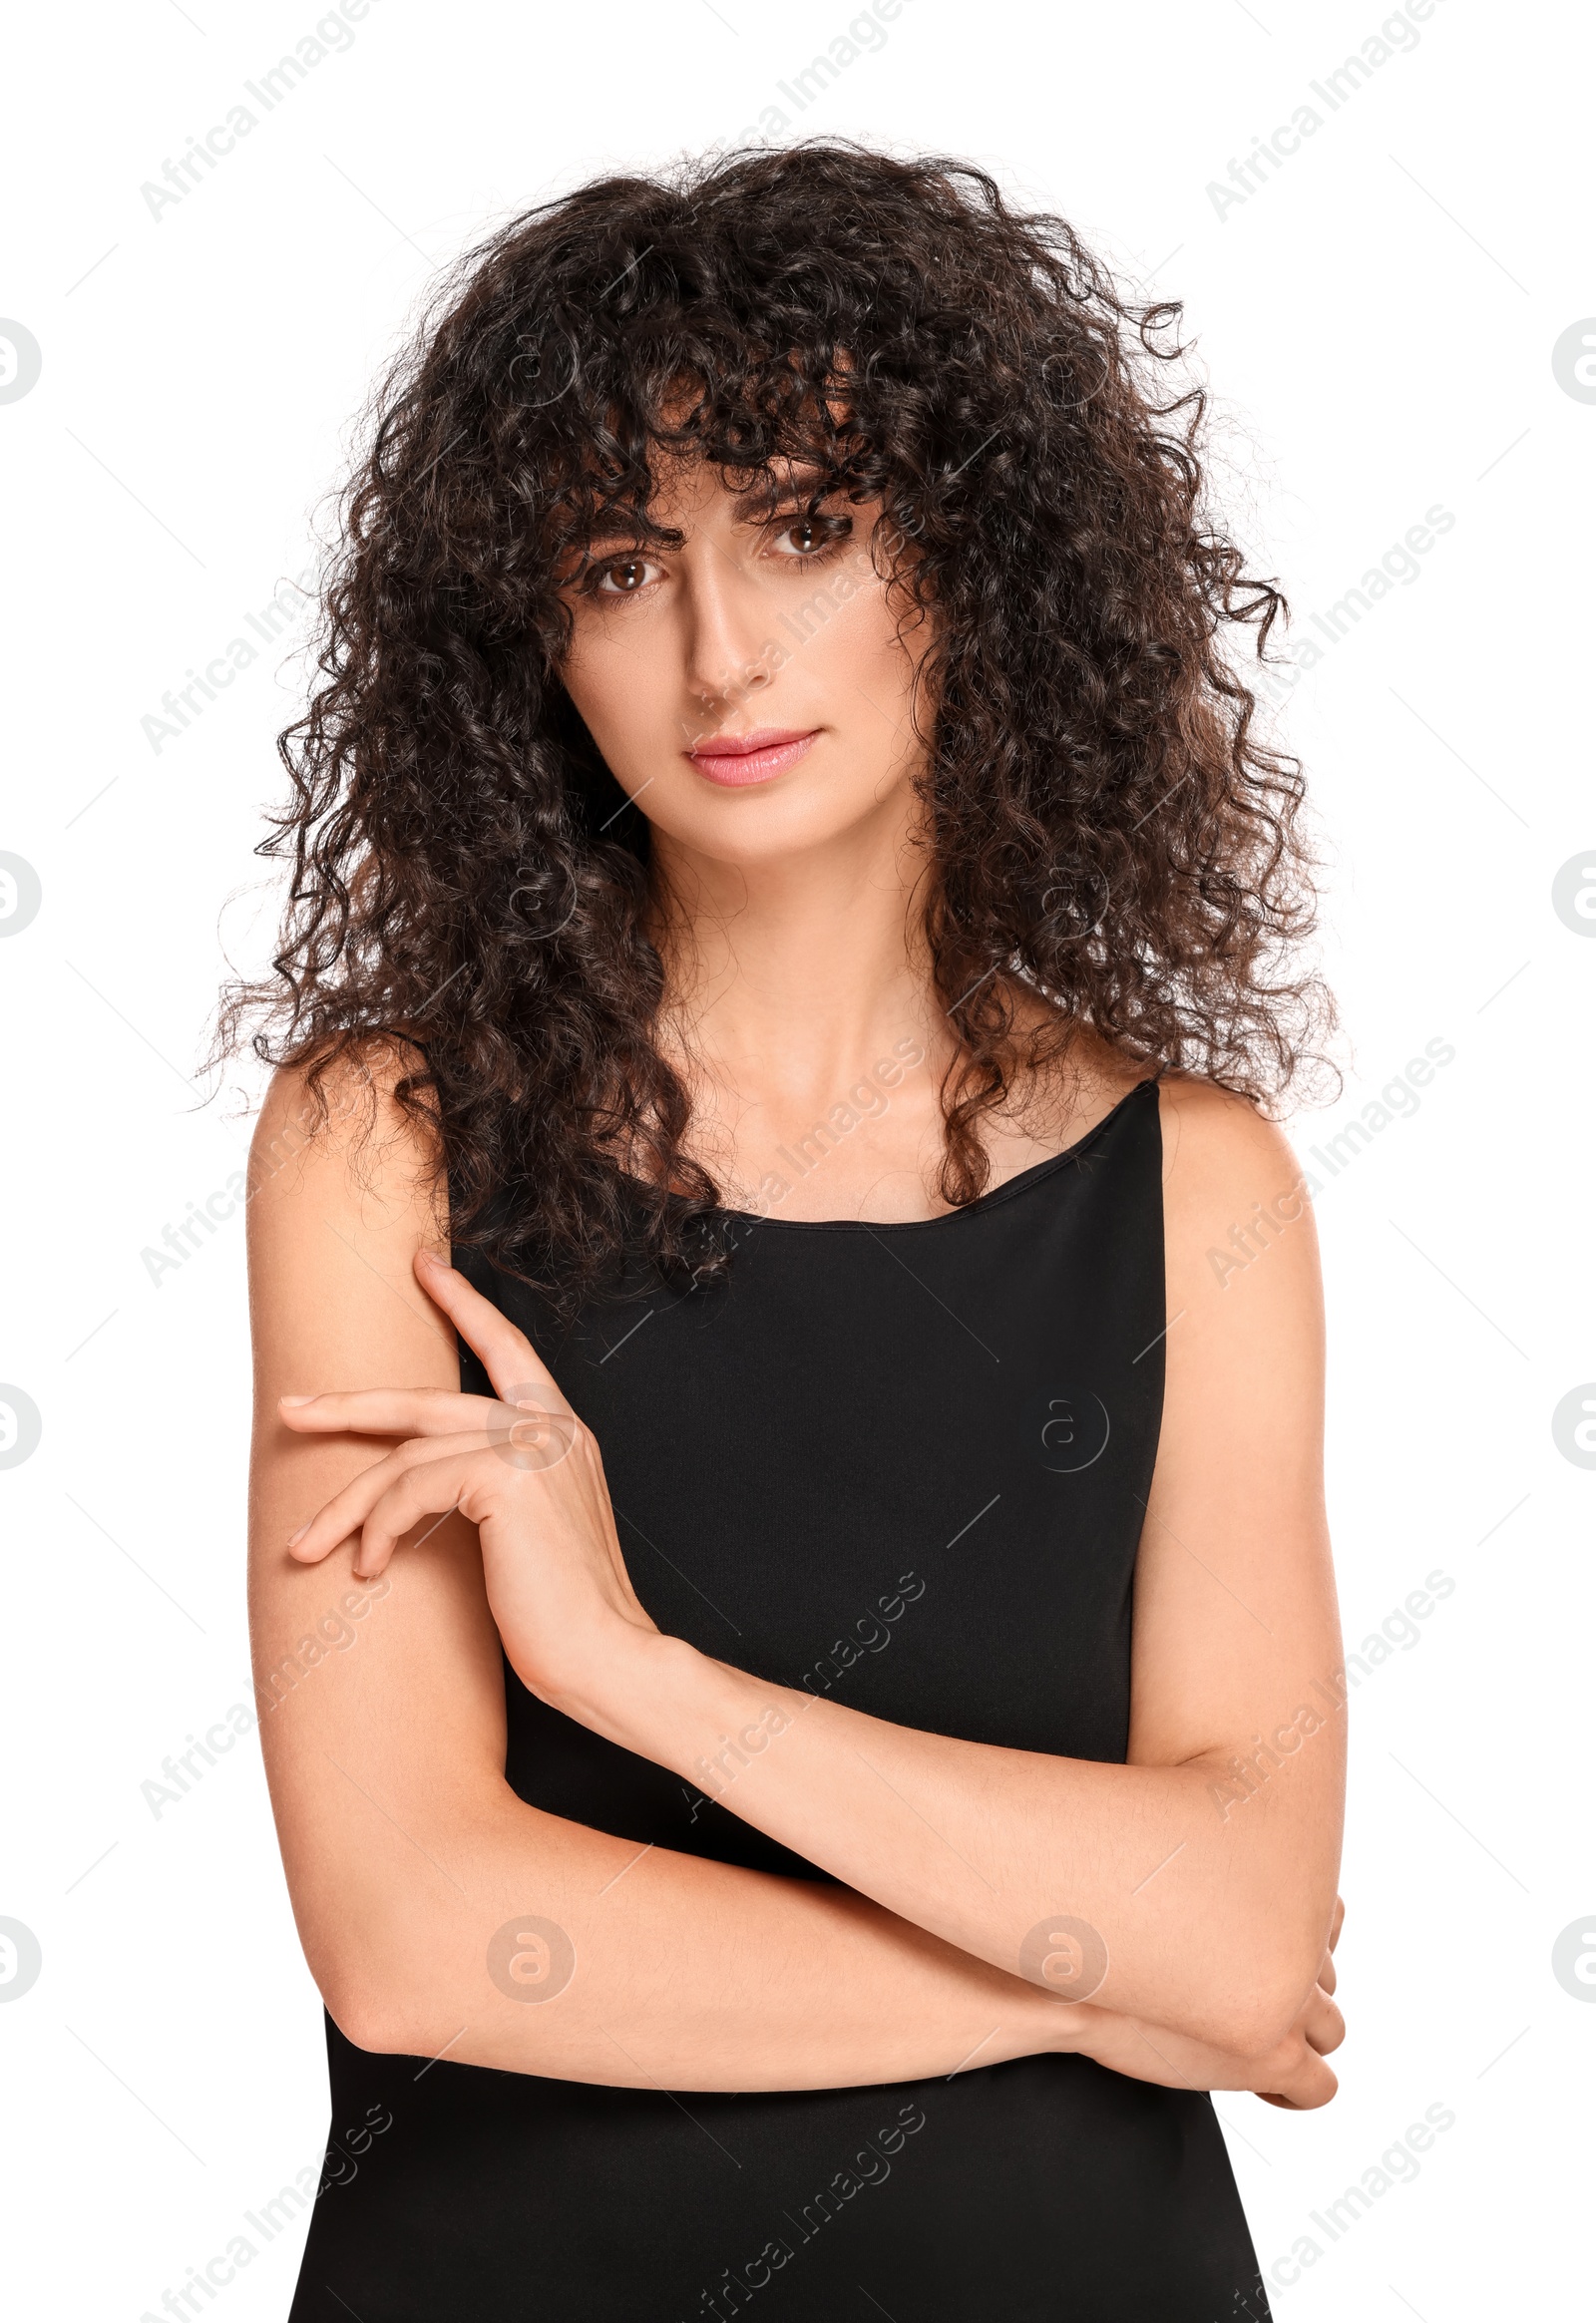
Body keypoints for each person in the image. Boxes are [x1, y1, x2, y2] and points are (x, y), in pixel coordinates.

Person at [229, 142, 1346, 2322]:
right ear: (530, 633)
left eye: (808, 530)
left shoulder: (1191, 1184)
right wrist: (1074, 1984)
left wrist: (637, 1679)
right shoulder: (382, 1138)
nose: (722, 649)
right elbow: (415, 1939)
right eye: (622, 562)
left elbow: (1245, 1928)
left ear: (979, 561)